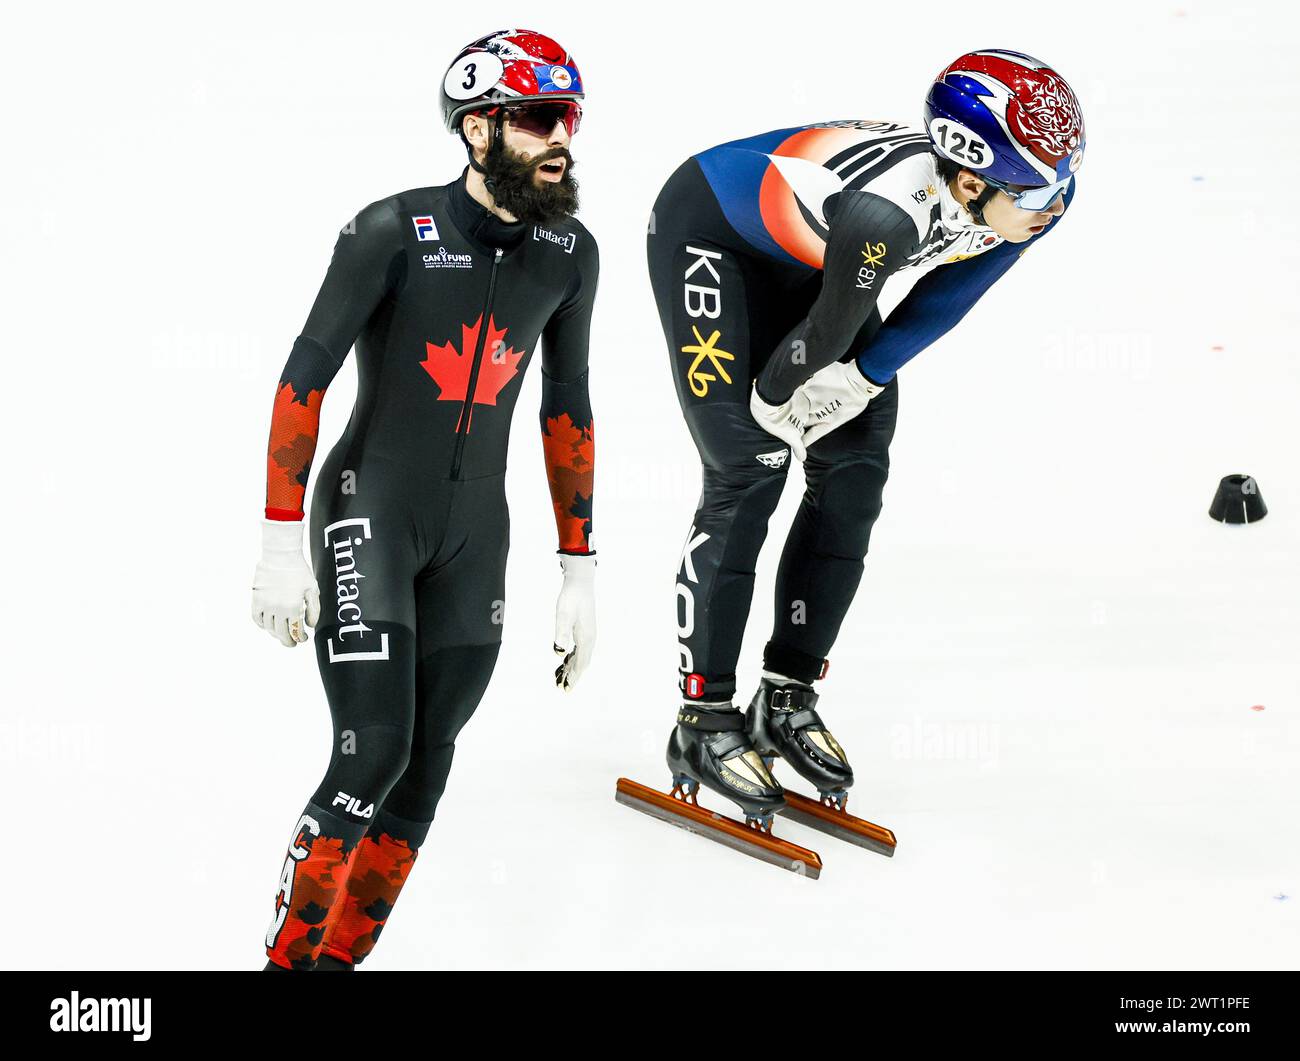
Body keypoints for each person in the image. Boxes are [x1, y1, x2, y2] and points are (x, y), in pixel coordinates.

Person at [643, 49, 1083, 834]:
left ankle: (785, 695)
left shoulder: (1032, 192)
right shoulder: (890, 216)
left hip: (821, 265)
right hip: (711, 237)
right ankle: (702, 719)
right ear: (971, 181)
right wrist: (778, 398)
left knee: (854, 465)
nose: (1054, 207)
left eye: (1059, 184)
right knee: (751, 465)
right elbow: (821, 335)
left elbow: (946, 301)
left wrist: (864, 381)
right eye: (1037, 192)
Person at [251, 28, 599, 970]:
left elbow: (567, 408)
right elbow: (302, 380)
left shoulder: (572, 253)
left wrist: (580, 564)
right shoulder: (389, 230)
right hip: (372, 512)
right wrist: (283, 538)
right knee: (371, 755)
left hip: (475, 535)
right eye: (536, 118)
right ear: (477, 128)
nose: (560, 135)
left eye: (568, 114)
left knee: (427, 765)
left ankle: (337, 963)